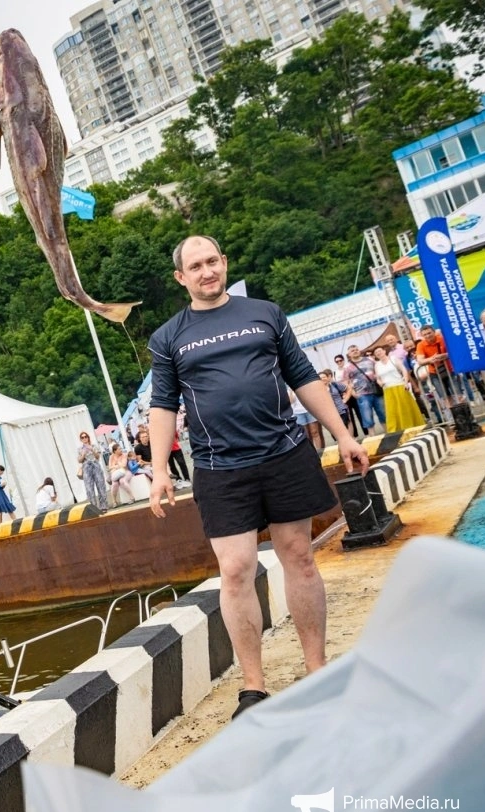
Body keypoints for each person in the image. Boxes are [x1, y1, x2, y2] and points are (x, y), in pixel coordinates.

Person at [148, 235, 369, 722]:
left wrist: (343, 436)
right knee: (235, 570)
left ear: (223, 264)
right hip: (219, 468)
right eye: (195, 266)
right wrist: (160, 470)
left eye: (212, 261)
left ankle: (317, 668)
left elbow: (304, 377)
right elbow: (163, 405)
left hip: (284, 454)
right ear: (180, 278)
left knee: (300, 558)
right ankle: (253, 685)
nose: (206, 272)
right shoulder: (168, 337)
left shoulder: (265, 313)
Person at [371, 346, 425, 432]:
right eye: (376, 353)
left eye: (380, 351)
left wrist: (406, 382)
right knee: (392, 410)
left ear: (384, 351)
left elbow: (403, 370)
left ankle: (412, 426)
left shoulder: (393, 359)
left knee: (405, 407)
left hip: (399, 385)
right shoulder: (377, 365)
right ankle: (395, 429)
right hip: (388, 389)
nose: (378, 353)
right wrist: (380, 383)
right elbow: (378, 378)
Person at [343, 344, 385, 434]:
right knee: (367, 417)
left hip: (376, 392)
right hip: (362, 394)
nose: (355, 351)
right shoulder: (347, 367)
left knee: (383, 413)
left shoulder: (370, 360)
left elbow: (378, 371)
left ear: (359, 350)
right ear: (349, 354)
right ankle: (372, 436)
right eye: (352, 350)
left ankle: (389, 432)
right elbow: (346, 382)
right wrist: (354, 393)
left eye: (356, 349)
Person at [76, 431, 110, 511]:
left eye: (85, 437)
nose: (84, 438)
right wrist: (83, 454)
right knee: (89, 488)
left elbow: (98, 457)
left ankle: (103, 506)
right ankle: (94, 508)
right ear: (81, 439)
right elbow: (79, 460)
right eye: (82, 437)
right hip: (86, 467)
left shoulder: (94, 446)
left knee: (101, 486)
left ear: (88, 437)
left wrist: (92, 450)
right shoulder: (79, 449)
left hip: (95, 466)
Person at [332, 353, 364, 437]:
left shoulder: (349, 368)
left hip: (353, 393)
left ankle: (366, 432)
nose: (339, 362)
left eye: (340, 360)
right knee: (350, 418)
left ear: (343, 360)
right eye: (337, 361)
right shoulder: (335, 372)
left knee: (360, 414)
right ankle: (354, 435)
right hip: (344, 396)